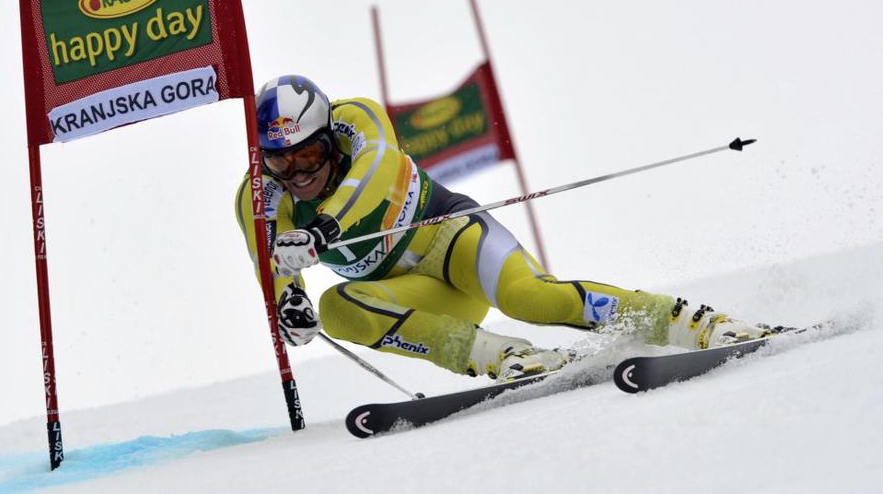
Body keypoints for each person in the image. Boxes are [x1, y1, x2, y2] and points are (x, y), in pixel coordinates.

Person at [235, 75, 777, 381]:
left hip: (452, 238)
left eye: (309, 155)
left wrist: (323, 229)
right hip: (415, 294)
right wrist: (290, 307)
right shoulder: (258, 195)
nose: (298, 173)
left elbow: (379, 169)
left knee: (528, 298)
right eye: (281, 162)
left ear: (328, 140)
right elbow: (272, 268)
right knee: (336, 309)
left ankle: (691, 321)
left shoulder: (358, 119)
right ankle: (503, 357)